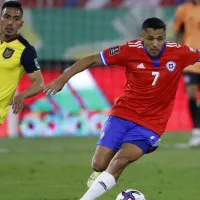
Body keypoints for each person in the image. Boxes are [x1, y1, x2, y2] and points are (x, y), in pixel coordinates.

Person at [44, 17, 200, 200]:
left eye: (160, 38)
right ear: (142, 37)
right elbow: (93, 59)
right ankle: (100, 173)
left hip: (151, 124)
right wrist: (63, 78)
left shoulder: (179, 52)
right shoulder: (128, 50)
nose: (156, 44)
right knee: (98, 164)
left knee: (119, 161)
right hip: (123, 114)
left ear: (165, 37)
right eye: (150, 39)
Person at [0, 0, 44, 124]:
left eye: (16, 19)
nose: (10, 23)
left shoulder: (25, 50)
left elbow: (39, 82)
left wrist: (22, 95)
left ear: (21, 24)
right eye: (6, 17)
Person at [173, 0, 200, 147]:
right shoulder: (183, 9)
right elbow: (177, 33)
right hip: (191, 59)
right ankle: (197, 131)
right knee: (191, 95)